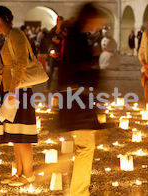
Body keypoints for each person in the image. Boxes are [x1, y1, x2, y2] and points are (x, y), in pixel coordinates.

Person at [58, 3, 106, 195]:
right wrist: (91, 62)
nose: (98, 24)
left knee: (85, 147)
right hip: (78, 100)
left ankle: (79, 189)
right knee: (85, 147)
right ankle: (79, 192)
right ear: (89, 17)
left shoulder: (77, 36)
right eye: (96, 20)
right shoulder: (76, 38)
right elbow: (73, 68)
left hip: (77, 99)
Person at [0, 6, 37, 187]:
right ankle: (19, 171)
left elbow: (22, 63)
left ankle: (28, 174)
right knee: (15, 133)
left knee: (22, 132)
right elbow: (12, 63)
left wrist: (13, 88)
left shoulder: (16, 35)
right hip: (11, 88)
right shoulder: (10, 36)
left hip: (18, 90)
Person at [45, 16, 64, 93]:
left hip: (61, 53)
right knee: (51, 71)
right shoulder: (53, 30)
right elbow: (48, 40)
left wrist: (59, 41)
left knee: (60, 73)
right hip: (53, 53)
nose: (59, 22)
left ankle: (59, 88)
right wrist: (52, 41)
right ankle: (48, 88)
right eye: (58, 21)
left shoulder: (63, 31)